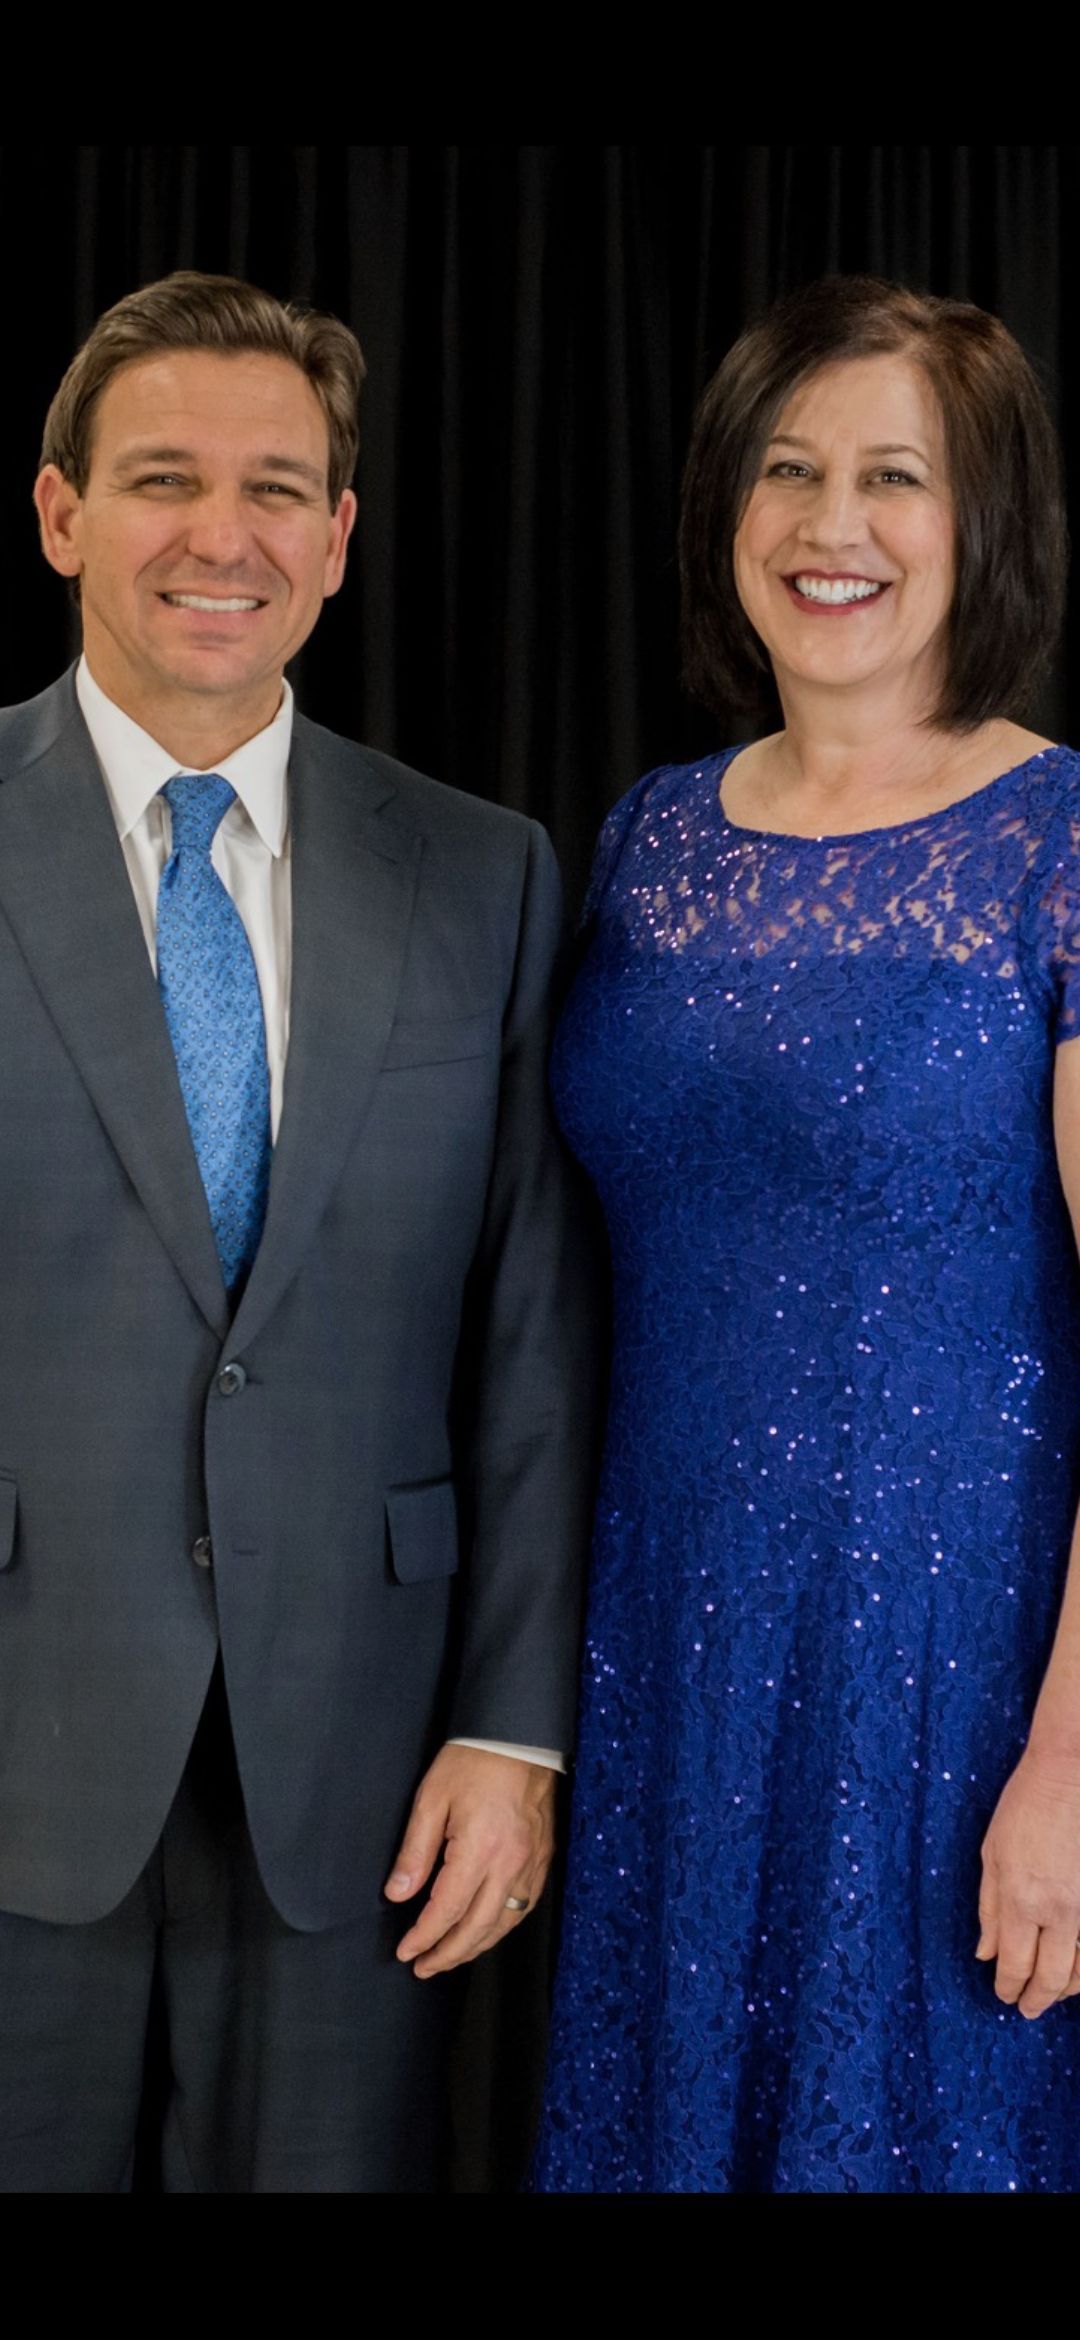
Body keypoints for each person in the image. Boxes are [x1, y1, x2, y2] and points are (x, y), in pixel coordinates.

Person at [0, 269, 595, 2193]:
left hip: (367, 1769)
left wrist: (516, 1733)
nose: (221, 533)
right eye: (163, 475)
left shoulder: (482, 873)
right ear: (60, 511)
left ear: (338, 541)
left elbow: (528, 1330)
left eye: (278, 488)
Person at [532, 275, 1080, 2194]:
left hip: (954, 1674)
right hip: (667, 1649)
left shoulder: (1060, 844)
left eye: (894, 477)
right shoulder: (647, 840)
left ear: (985, 519)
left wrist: (1077, 1767)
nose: (830, 525)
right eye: (787, 469)